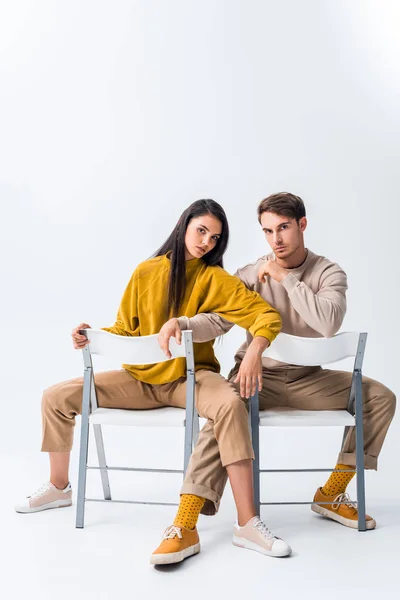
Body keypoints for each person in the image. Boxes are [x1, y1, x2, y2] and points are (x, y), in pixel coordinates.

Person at [15, 199, 293, 563]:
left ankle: (247, 522)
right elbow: (124, 329)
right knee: (55, 397)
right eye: (201, 231)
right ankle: (58, 487)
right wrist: (91, 334)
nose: (206, 242)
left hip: (190, 380)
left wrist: (255, 349)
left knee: (229, 404)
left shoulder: (216, 280)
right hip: (139, 379)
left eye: (215, 237)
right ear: (184, 227)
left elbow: (266, 315)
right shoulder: (146, 272)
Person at [159, 192, 396, 533]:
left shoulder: (329, 272)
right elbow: (218, 321)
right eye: (268, 231)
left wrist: (286, 279)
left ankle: (332, 493)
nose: (276, 239)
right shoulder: (251, 274)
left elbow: (328, 322)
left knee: (380, 397)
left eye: (283, 228)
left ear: (302, 224)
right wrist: (183, 324)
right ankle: (185, 519)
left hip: (309, 380)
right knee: (225, 408)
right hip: (256, 378)